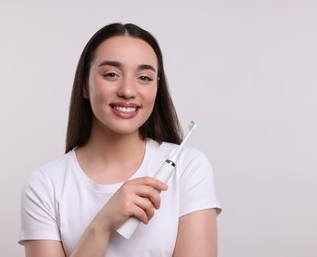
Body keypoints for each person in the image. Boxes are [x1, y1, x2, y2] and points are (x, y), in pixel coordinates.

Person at [19, 22, 221, 257]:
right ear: (85, 85)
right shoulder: (45, 185)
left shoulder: (189, 168)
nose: (127, 90)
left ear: (157, 87)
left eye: (144, 77)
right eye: (111, 74)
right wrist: (100, 226)